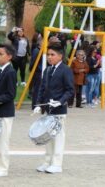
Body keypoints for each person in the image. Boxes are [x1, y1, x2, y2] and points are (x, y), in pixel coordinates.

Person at [34, 43, 74, 173]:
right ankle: (47, 162)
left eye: (53, 54)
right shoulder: (47, 70)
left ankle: (57, 164)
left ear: (60, 56)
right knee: (48, 137)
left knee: (58, 137)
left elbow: (70, 90)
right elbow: (42, 89)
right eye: (48, 55)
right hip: (47, 110)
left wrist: (60, 101)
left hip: (59, 110)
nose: (50, 57)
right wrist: (38, 105)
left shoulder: (66, 69)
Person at [0, 44, 17, 177]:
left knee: (3, 142)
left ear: (9, 56)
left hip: (5, 113)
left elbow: (11, 94)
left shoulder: (10, 72)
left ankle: (3, 168)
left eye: (0, 54)